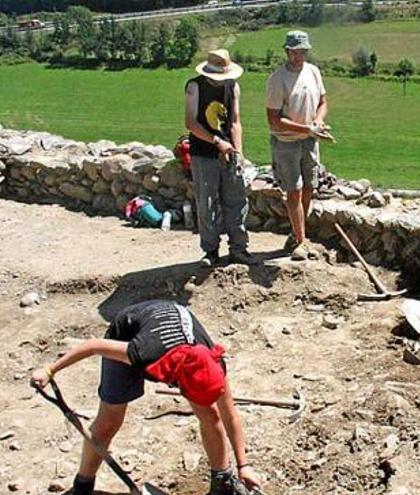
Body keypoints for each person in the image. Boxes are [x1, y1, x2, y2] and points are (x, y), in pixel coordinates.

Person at [30, 300, 262, 495]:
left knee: (211, 415)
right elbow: (93, 346)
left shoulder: (213, 362)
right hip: (129, 329)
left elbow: (229, 415)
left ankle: (222, 480)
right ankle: (83, 485)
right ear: (178, 382)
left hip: (174, 335)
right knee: (109, 422)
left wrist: (244, 465)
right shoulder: (142, 352)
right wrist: (50, 370)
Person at [185, 49, 258, 268]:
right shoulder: (194, 87)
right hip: (203, 153)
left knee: (237, 200)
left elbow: (235, 122)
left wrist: (238, 151)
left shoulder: (233, 86)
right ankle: (211, 251)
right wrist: (218, 142)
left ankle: (239, 248)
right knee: (207, 202)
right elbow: (191, 123)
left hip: (229, 151)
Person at [266, 30, 331, 261]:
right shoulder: (277, 79)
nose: (299, 56)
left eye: (303, 51)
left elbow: (323, 102)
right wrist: (307, 129)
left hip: (309, 140)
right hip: (286, 143)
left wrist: (318, 120)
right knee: (293, 190)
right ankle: (301, 241)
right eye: (295, 52)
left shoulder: (313, 72)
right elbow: (273, 119)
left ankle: (297, 234)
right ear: (287, 51)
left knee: (309, 187)